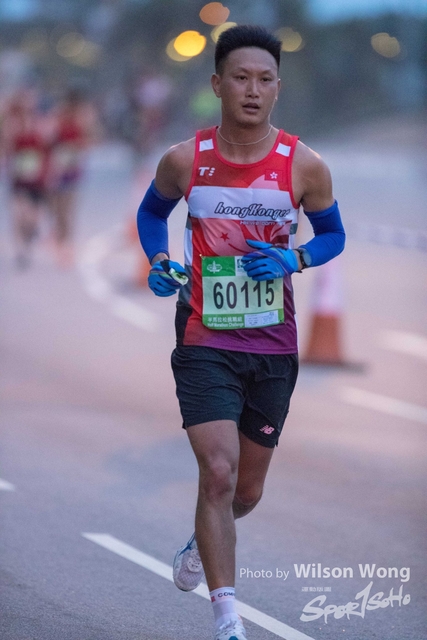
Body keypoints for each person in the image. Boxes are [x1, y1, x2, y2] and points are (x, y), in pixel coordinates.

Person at [137, 25, 345, 640]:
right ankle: (228, 620)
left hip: (274, 344)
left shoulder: (304, 165)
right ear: (217, 84)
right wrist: (158, 259)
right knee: (219, 473)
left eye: (264, 80)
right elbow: (152, 212)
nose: (252, 90)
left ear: (278, 88)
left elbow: (333, 235)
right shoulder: (186, 159)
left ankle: (202, 539)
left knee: (246, 492)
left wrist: (295, 258)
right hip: (204, 337)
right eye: (240, 78)